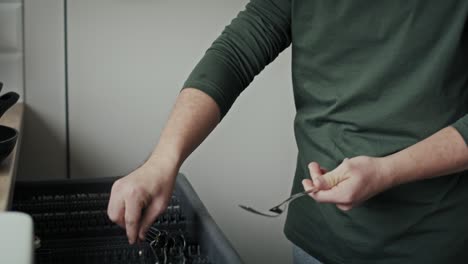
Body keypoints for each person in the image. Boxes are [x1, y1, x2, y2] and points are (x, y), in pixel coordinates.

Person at [107, 1, 468, 263]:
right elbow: (239, 48)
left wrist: (389, 171)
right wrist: (162, 162)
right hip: (318, 243)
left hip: (437, 243)